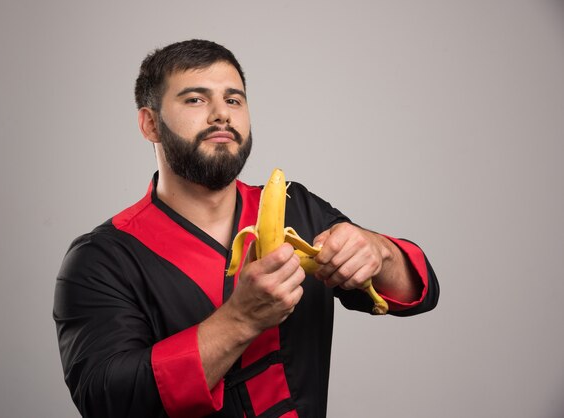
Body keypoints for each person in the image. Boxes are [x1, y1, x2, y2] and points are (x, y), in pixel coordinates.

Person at [53, 39, 439, 418]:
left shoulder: (295, 206)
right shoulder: (101, 259)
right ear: (150, 124)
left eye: (234, 100)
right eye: (195, 99)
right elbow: (107, 399)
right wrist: (241, 319)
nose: (221, 114)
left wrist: (378, 251)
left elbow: (413, 289)